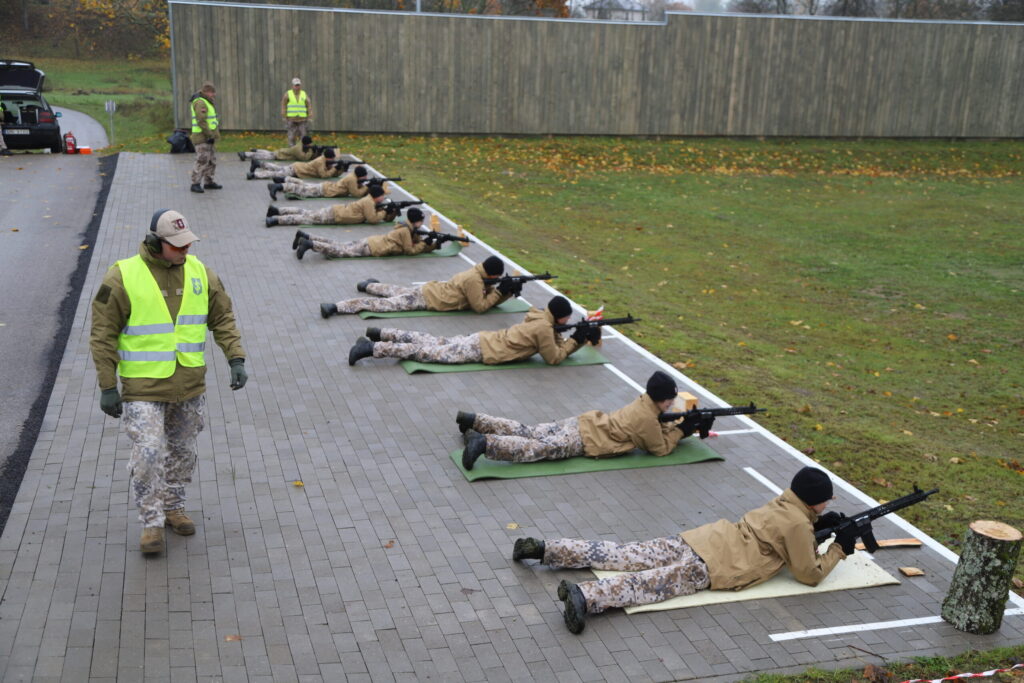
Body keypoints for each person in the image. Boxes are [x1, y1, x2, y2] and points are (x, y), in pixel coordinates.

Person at [513, 466, 856, 634]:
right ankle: (585, 597)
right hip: (713, 564)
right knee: (648, 585)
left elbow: (784, 534)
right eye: (825, 501)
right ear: (815, 503)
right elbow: (808, 573)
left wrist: (816, 527)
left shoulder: (784, 502)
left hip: (701, 539)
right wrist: (839, 547)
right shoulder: (799, 523)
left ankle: (550, 550)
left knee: (624, 554)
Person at [89, 209, 247, 555]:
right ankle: (151, 523)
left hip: (189, 384)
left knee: (181, 452)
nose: (185, 250)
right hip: (143, 388)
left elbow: (222, 317)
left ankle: (174, 507)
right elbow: (102, 335)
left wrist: (235, 358)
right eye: (177, 246)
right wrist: (107, 386)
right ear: (154, 243)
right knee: (147, 454)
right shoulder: (122, 276)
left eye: (187, 243)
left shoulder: (200, 272)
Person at [458, 370, 683, 470]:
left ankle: (477, 420)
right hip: (586, 439)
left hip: (584, 422)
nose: (671, 404)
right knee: (539, 448)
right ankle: (486, 443)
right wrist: (682, 431)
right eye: (669, 400)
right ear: (661, 398)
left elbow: (657, 422)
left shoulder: (644, 402)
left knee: (531, 431)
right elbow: (660, 448)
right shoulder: (647, 417)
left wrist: (675, 424)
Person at [347, 295, 592, 367]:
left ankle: (382, 332)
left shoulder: (540, 316)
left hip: (482, 339)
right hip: (482, 350)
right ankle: (373, 347)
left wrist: (570, 335)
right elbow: (553, 358)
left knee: (432, 341)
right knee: (427, 353)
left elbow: (552, 334)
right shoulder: (544, 329)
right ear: (560, 317)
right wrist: (577, 340)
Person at [320, 255, 510, 318]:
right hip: (427, 298)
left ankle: (369, 286)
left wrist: (505, 293)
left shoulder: (477, 273)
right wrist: (501, 291)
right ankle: (337, 306)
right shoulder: (474, 281)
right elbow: (480, 307)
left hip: (429, 290)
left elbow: (486, 295)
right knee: (386, 305)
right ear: (492, 274)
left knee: (397, 291)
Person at [293, 207, 436, 260]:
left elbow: (416, 241)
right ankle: (310, 244)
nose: (422, 224)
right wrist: (425, 243)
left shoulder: (406, 226)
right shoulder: (406, 230)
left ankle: (308, 237)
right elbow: (410, 250)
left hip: (371, 241)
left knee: (339, 244)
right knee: (339, 251)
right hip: (372, 248)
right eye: (421, 221)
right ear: (416, 221)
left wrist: (432, 245)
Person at [265, 185, 392, 228]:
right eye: (382, 196)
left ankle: (277, 211)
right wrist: (385, 213)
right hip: (335, 215)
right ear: (377, 196)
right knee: (305, 218)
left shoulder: (369, 200)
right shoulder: (369, 202)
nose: (383, 198)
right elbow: (372, 219)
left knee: (306, 213)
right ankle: (276, 219)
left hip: (335, 211)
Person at [268, 164, 374, 201]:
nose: (364, 180)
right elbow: (356, 194)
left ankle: (283, 181)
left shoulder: (353, 176)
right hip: (324, 190)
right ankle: (279, 186)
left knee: (304, 185)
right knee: (302, 190)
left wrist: (365, 185)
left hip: (326, 187)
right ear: (360, 176)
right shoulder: (352, 179)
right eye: (364, 178)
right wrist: (367, 186)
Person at [188, 82, 221, 193]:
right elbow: (201, 121)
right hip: (202, 137)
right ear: (207, 92)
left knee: (211, 160)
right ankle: (195, 183)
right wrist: (209, 135)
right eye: (212, 92)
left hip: (208, 137)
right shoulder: (200, 103)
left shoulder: (207, 102)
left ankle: (209, 181)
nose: (214, 95)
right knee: (202, 160)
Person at [247, 147, 341, 181]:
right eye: (332, 158)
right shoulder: (320, 162)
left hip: (297, 167)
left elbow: (330, 172)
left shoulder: (324, 160)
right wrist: (334, 168)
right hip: (296, 170)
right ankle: (254, 175)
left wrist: (341, 169)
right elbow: (323, 175)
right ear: (328, 157)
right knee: (276, 174)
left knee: (278, 169)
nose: (333, 160)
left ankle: (258, 164)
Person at [237, 135, 315, 162]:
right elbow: (303, 158)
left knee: (269, 153)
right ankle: (245, 154)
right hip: (280, 155)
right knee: (262, 157)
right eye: (309, 144)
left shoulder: (301, 144)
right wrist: (311, 151)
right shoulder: (297, 149)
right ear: (306, 144)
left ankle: (256, 150)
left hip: (281, 152)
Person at [282, 77, 312, 145]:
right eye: (296, 85)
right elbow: (284, 105)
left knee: (303, 136)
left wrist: (309, 115)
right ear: (292, 86)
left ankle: (303, 150)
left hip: (302, 119)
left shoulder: (304, 94)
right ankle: (292, 150)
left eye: (298, 85)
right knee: (291, 136)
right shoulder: (288, 94)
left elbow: (308, 104)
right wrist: (284, 116)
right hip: (291, 119)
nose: (297, 87)